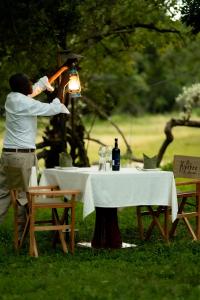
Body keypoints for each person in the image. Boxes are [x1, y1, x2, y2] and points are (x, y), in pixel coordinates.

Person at [0, 73, 69, 240]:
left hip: (8, 154)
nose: (32, 84)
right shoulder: (25, 102)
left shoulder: (12, 98)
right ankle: (22, 237)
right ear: (23, 87)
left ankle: (21, 235)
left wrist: (61, 70)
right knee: (25, 197)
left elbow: (38, 87)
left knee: (3, 194)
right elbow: (53, 108)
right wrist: (63, 86)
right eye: (29, 82)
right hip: (22, 157)